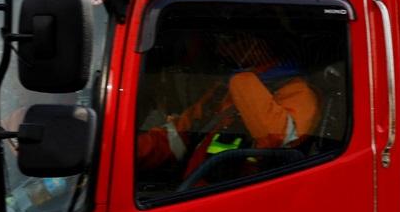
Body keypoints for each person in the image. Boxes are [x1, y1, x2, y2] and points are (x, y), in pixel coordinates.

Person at [137, 32, 320, 181]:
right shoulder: (223, 91)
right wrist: (134, 150)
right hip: (195, 195)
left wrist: (244, 80)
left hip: (243, 203)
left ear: (257, 42)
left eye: (230, 41)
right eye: (221, 42)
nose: (223, 50)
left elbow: (276, 139)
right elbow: (178, 136)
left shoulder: (297, 91)